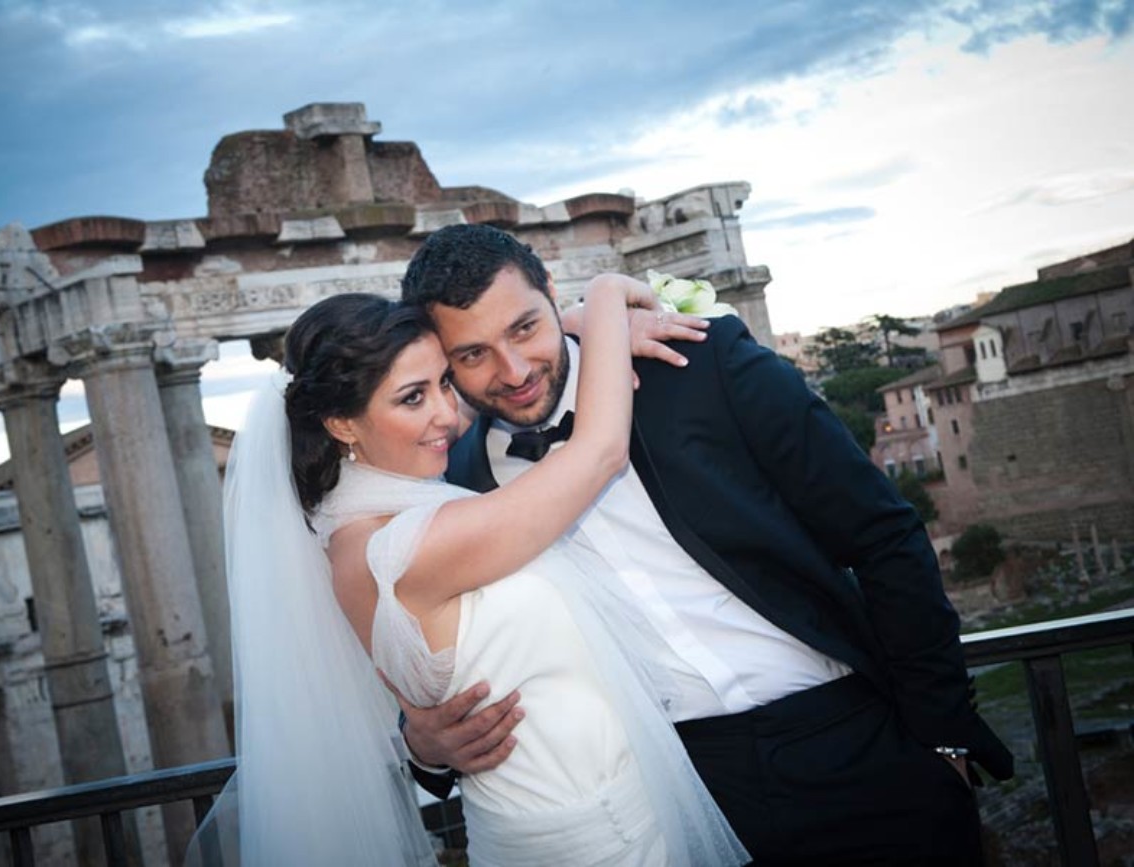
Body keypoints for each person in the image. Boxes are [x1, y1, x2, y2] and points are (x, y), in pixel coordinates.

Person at [397, 223, 1015, 865]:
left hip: (850, 738)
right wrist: (424, 744)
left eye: (525, 328)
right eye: (473, 354)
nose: (515, 371)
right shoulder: (461, 483)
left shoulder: (701, 363)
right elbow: (441, 641)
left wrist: (943, 740)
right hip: (672, 792)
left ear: (554, 294)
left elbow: (882, 534)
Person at [190, 283, 748, 865]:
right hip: (593, 838)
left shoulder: (373, 524)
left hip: (596, 808)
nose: (448, 416)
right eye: (412, 398)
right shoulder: (396, 548)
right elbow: (600, 452)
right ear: (342, 424)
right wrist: (603, 302)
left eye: (444, 384)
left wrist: (421, 745)